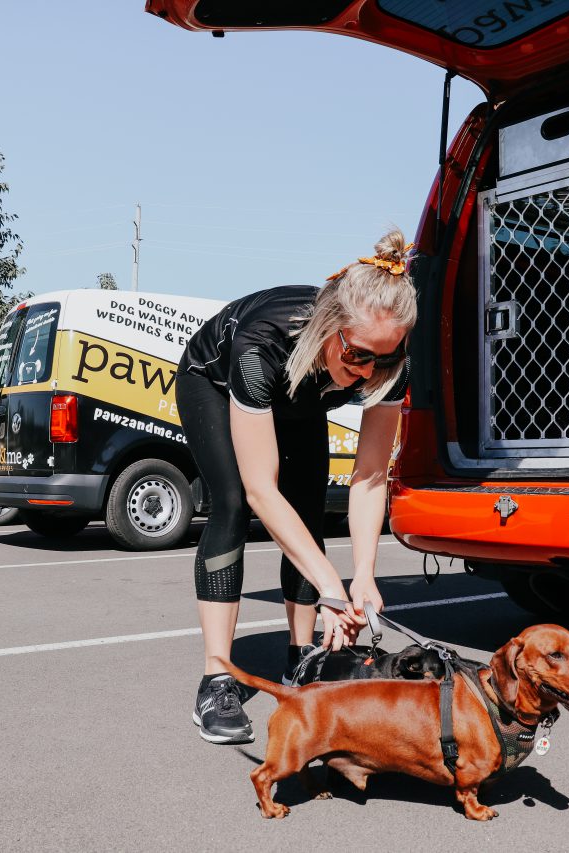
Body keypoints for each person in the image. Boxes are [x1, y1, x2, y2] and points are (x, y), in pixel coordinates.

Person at [175, 229, 417, 744]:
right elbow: (263, 488)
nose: (366, 373)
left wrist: (364, 577)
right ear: (330, 328)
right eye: (356, 356)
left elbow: (371, 474)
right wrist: (332, 586)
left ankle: (301, 656)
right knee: (234, 505)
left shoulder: (385, 360)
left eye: (385, 359)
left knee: (309, 511)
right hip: (213, 381)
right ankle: (217, 677)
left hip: (302, 394)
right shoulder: (260, 344)